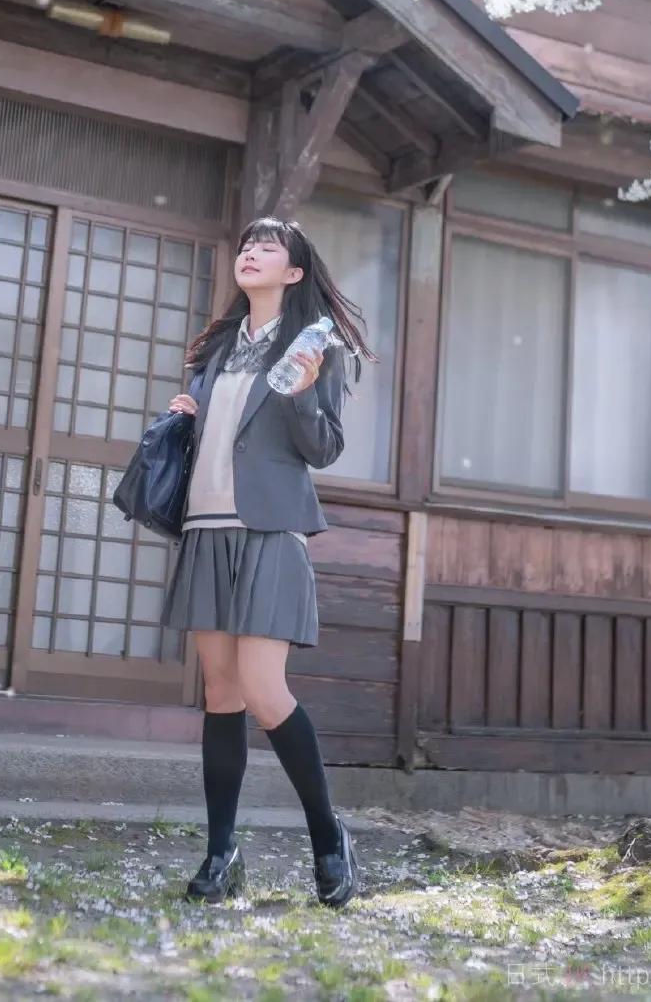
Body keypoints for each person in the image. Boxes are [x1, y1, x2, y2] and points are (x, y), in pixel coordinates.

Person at [159, 214, 376, 910]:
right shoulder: (218, 349)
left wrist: (303, 392)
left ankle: (329, 838)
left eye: (268, 246)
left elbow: (324, 449)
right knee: (221, 693)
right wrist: (189, 415)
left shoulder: (315, 345)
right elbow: (221, 432)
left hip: (271, 531)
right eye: (247, 243)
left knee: (263, 688)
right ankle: (222, 853)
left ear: (294, 272)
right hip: (206, 526)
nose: (251, 251)